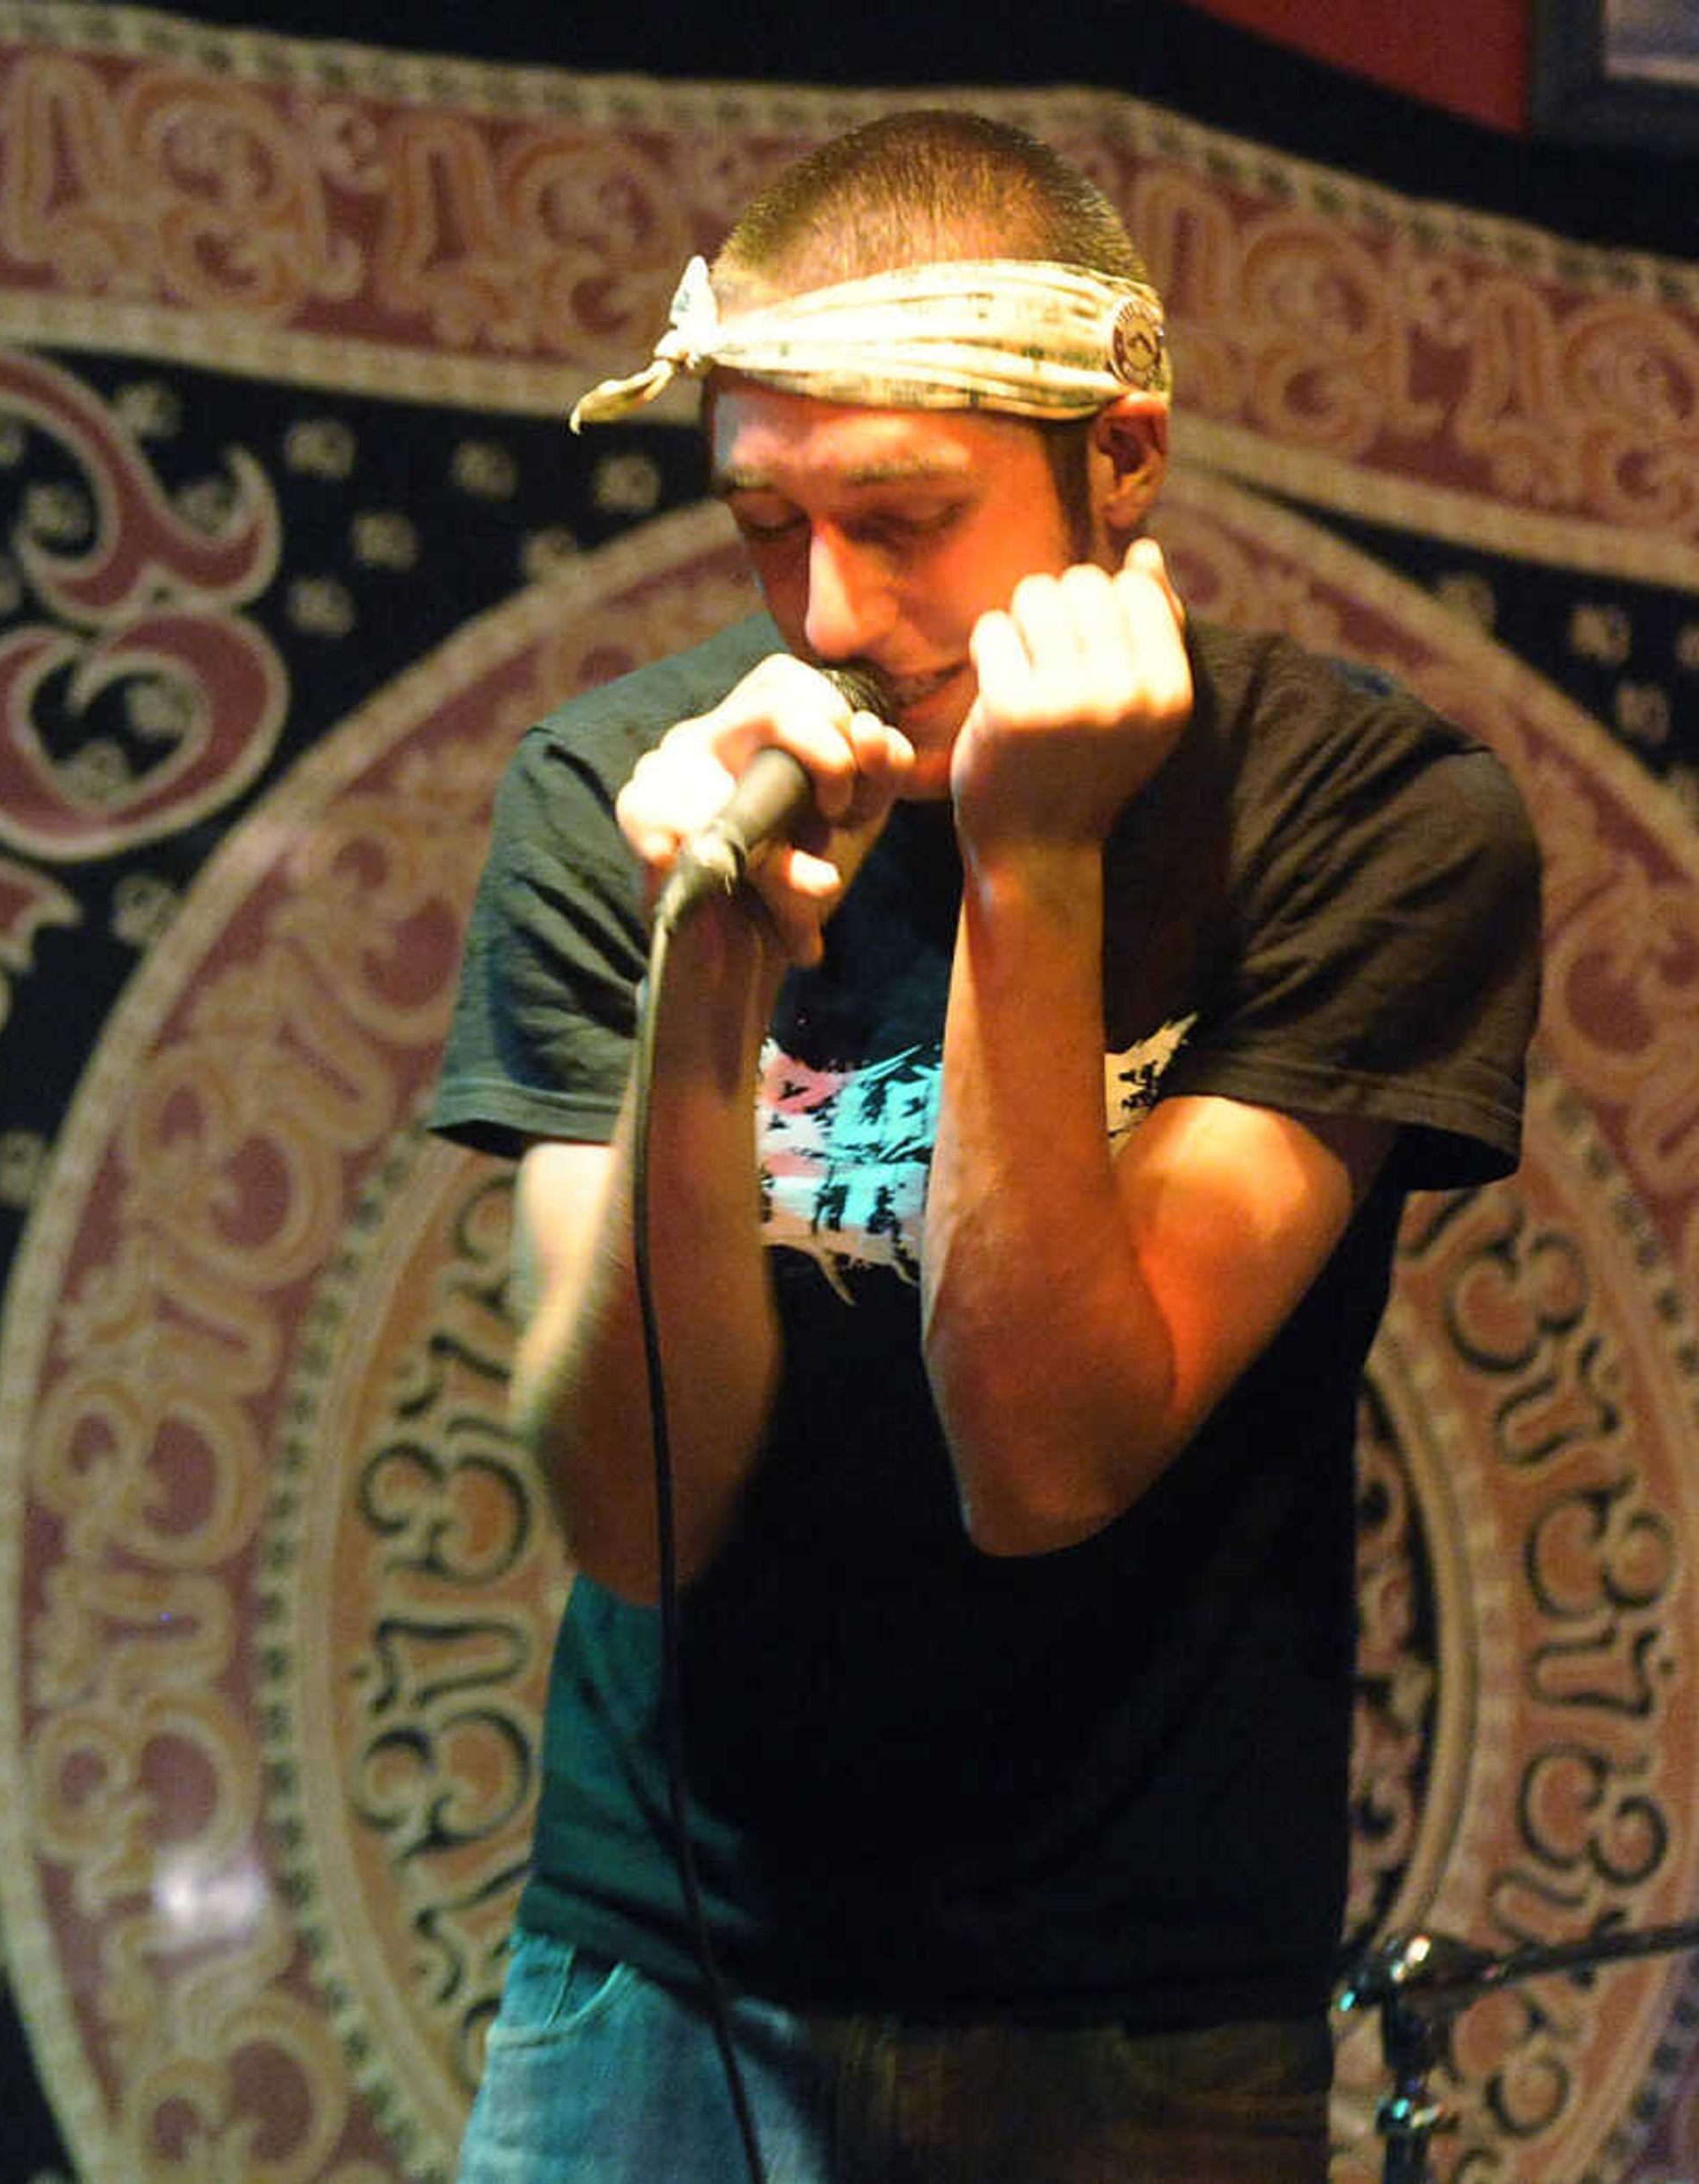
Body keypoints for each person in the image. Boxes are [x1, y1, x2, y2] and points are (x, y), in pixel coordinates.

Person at [432, 110, 1538, 2181]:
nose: (831, 611)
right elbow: (625, 1507)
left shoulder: (1374, 819)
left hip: (1138, 2008)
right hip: (661, 1972)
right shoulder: (624, 797)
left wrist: (1035, 871)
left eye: (904, 516)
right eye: (767, 526)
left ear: (1119, 461)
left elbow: (1042, 1456)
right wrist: (708, 1012)